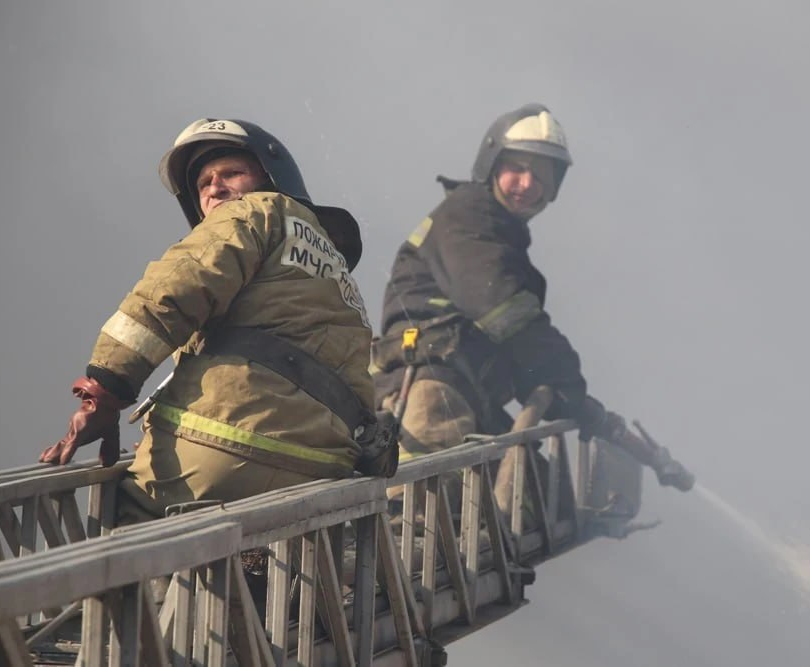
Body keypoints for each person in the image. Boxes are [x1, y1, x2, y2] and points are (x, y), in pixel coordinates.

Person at [40, 118, 393, 524]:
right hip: (324, 467)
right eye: (203, 183)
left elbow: (170, 293)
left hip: (226, 447)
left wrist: (102, 392)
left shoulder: (254, 212)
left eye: (232, 173)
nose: (214, 188)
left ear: (271, 179)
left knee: (123, 532)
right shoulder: (331, 264)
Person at [372, 103, 693, 506]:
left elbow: (514, 346)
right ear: (491, 164)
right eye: (517, 169)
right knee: (425, 519)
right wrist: (562, 373)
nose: (527, 183)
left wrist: (567, 399)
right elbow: (502, 310)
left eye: (541, 177)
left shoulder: (500, 237)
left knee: (537, 497)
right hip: (430, 389)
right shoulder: (467, 216)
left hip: (470, 395)